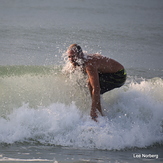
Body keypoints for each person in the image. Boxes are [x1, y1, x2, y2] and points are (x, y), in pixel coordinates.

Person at [66, 44, 127, 121]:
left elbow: (96, 88)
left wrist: (93, 110)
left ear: (80, 54)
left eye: (73, 56)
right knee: (85, 82)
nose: (71, 59)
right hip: (109, 72)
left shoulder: (89, 65)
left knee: (90, 84)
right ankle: (98, 110)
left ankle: (97, 114)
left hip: (119, 75)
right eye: (69, 57)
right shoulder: (81, 59)